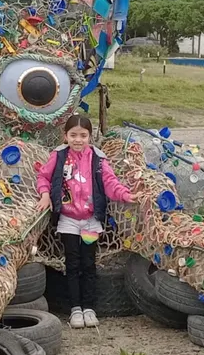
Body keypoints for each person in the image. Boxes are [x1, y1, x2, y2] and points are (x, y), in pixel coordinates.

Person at [36, 114, 134, 329]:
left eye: (83, 135)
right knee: (72, 264)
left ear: (90, 136)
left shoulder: (98, 159)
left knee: (88, 264)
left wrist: (124, 195)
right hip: (68, 220)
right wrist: (44, 194)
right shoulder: (59, 156)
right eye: (73, 135)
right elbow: (43, 176)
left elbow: (109, 182)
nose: (78, 140)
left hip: (90, 221)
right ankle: (75, 310)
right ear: (65, 136)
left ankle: (89, 308)